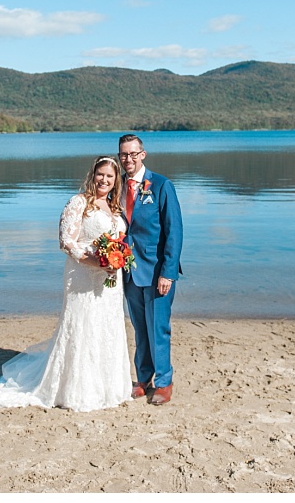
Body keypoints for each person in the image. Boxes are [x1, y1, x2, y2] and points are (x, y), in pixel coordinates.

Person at [0, 156, 132, 411]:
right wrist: (97, 262)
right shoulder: (78, 203)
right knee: (82, 325)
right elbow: (66, 242)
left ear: (115, 180)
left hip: (109, 281)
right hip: (83, 276)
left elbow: (118, 240)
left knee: (106, 327)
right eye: (100, 175)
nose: (104, 180)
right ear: (93, 175)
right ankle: (76, 389)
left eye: (110, 176)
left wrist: (117, 260)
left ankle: (108, 387)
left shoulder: (114, 208)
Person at [118, 134, 183, 405]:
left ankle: (164, 382)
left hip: (157, 272)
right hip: (129, 271)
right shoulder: (117, 186)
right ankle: (143, 378)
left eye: (133, 154)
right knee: (139, 328)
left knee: (158, 328)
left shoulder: (161, 185)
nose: (128, 159)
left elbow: (174, 231)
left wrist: (168, 272)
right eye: (123, 155)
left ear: (143, 154)